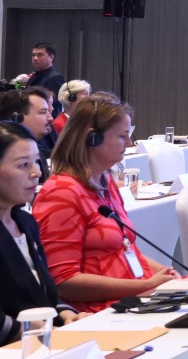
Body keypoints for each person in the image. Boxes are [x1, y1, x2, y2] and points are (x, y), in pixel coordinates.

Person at [33, 94, 178, 313]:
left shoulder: (105, 181)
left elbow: (124, 249)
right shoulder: (60, 192)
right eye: (122, 136)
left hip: (132, 301)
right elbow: (63, 281)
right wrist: (145, 285)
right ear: (93, 138)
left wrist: (165, 273)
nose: (129, 143)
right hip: (99, 313)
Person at [0, 125, 78, 343]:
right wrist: (32, 330)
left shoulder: (25, 222)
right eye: (23, 165)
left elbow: (40, 293)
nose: (37, 172)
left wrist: (66, 314)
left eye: (36, 161)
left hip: (41, 342)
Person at [0, 88, 55, 164]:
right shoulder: (8, 155)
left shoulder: (34, 149)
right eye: (43, 112)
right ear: (17, 118)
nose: (50, 118)